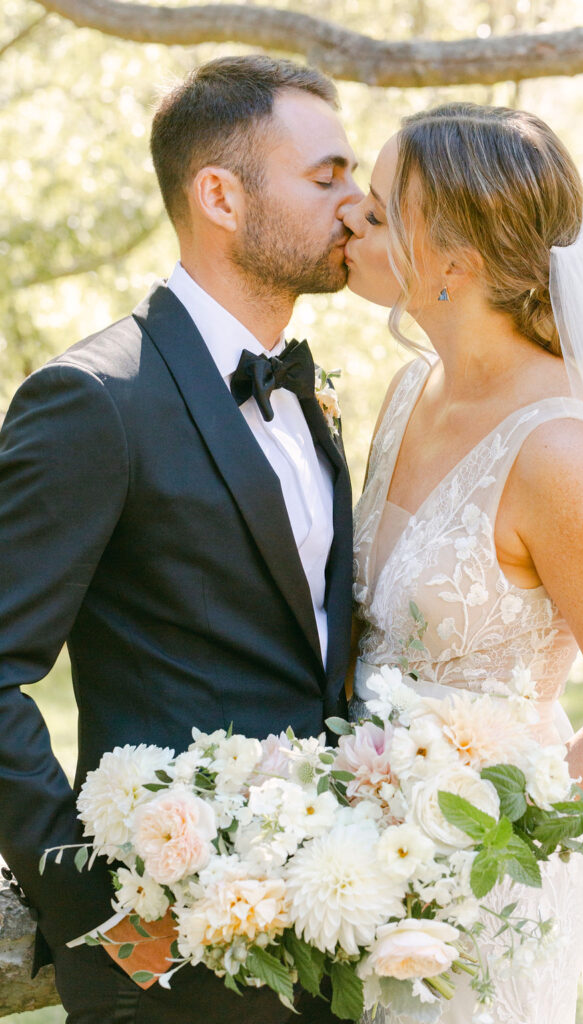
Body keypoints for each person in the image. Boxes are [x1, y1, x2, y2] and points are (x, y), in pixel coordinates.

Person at [0, 55, 362, 1023]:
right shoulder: (93, 399)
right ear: (220, 196)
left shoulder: (310, 395)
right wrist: (92, 901)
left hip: (331, 953)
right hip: (161, 980)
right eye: (327, 177)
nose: (358, 205)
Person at [343, 103, 583, 1023]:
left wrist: (484, 839)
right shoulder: (411, 389)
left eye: (376, 212)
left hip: (484, 901)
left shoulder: (558, 452)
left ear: (453, 262)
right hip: (358, 870)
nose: (347, 219)